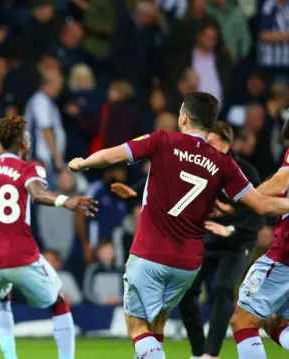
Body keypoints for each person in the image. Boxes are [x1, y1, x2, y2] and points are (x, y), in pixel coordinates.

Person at [68, 91, 289, 359]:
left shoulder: (162, 140)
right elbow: (263, 205)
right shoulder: (224, 163)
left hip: (149, 254)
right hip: (186, 264)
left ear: (183, 117)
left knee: (137, 327)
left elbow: (112, 156)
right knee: (156, 327)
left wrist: (83, 163)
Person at [112, 121, 264, 359]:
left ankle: (210, 355)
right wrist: (135, 191)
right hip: (208, 241)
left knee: (223, 288)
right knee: (188, 291)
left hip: (238, 243)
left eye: (212, 142)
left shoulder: (239, 169)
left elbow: (258, 215)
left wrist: (232, 230)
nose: (207, 146)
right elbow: (170, 181)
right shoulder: (201, 163)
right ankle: (198, 351)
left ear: (226, 143)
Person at [0, 115, 98, 359]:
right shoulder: (28, 168)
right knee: (59, 300)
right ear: (23, 143)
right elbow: (38, 193)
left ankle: (10, 357)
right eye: (28, 139)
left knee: (0, 299)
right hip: (20, 255)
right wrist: (66, 200)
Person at [230, 146, 289, 358]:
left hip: (285, 258)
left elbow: (279, 184)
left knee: (243, 320)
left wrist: (241, 200)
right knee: (277, 322)